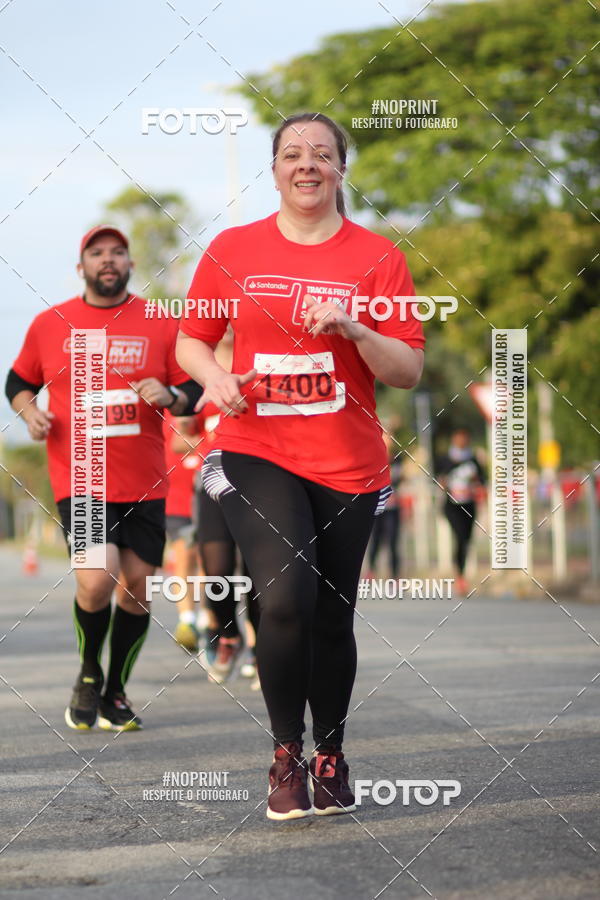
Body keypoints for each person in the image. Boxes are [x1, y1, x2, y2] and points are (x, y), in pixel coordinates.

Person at [176, 113, 425, 820]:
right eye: (292, 154)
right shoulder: (234, 249)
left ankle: (331, 756)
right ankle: (286, 753)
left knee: (330, 617)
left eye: (322, 153)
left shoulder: (377, 258)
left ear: (341, 168)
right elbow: (193, 341)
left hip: (348, 460)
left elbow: (406, 369)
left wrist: (353, 327)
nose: (307, 164)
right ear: (276, 168)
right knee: (283, 598)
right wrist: (215, 377)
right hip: (257, 446)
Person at [5, 225, 201, 731]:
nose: (108, 260)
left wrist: (172, 397)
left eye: (117, 252)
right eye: (97, 253)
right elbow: (19, 382)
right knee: (98, 578)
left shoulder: (158, 322)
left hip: (146, 480)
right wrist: (29, 414)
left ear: (131, 264)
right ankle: (88, 673)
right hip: (83, 475)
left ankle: (115, 692)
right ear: (82, 267)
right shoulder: (52, 324)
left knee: (136, 586)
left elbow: (192, 388)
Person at [437, 427, 486, 595]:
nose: (462, 441)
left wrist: (476, 483)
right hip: (452, 506)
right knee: (459, 536)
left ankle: (461, 573)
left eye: (465, 438)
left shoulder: (473, 460)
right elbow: (437, 479)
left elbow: (482, 480)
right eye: (459, 438)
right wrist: (442, 483)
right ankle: (460, 576)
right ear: (454, 439)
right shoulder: (445, 459)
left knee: (466, 540)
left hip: (468, 505)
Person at [367, 433, 403, 578]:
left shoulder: (398, 460)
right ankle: (371, 571)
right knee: (375, 541)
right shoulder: (374, 459)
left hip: (393, 507)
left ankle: (395, 575)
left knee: (393, 541)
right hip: (376, 507)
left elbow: (400, 480)